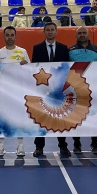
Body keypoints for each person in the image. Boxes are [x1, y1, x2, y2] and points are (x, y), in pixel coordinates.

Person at [0, 25, 30, 157]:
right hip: (3, 92)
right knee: (2, 118)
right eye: (7, 35)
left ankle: (20, 145)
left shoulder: (22, 52)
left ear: (15, 37)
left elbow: (30, 70)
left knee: (19, 118)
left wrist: (26, 65)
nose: (10, 37)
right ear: (4, 37)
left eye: (12, 35)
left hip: (18, 91)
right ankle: (0, 146)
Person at [31, 22, 70, 157]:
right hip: (42, 88)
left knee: (60, 117)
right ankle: (39, 147)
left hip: (59, 88)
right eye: (47, 30)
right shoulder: (37, 48)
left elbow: (66, 68)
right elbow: (35, 67)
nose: (50, 32)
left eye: (52, 29)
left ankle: (63, 146)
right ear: (44, 32)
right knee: (41, 118)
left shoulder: (63, 48)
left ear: (56, 31)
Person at [68, 27, 97, 154]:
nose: (82, 35)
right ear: (76, 35)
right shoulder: (69, 50)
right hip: (75, 89)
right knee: (75, 117)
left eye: (84, 33)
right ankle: (77, 144)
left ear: (89, 34)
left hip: (93, 88)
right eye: (79, 33)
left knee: (93, 116)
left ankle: (95, 143)